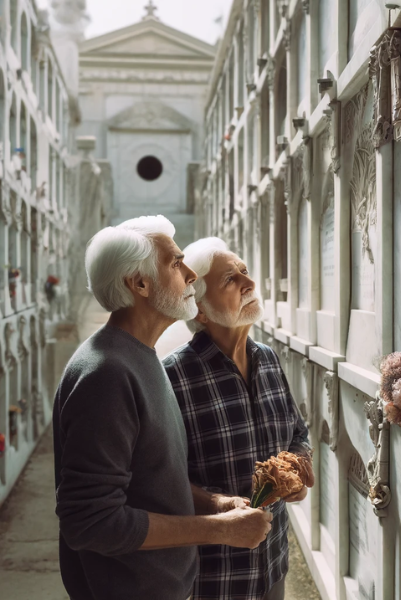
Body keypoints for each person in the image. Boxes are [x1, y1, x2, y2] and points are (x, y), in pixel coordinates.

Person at [53, 217, 272, 600]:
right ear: (140, 284)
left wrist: (213, 502)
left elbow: (151, 480)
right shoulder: (106, 374)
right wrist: (220, 529)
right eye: (175, 264)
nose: (191, 275)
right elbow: (92, 523)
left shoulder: (141, 356)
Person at [163, 237, 314, 600]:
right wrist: (219, 505)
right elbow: (160, 484)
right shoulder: (172, 377)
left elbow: (297, 431)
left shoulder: (269, 359)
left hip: (273, 560)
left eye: (245, 272)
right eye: (230, 280)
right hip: (215, 575)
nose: (249, 284)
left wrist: (298, 467)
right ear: (199, 308)